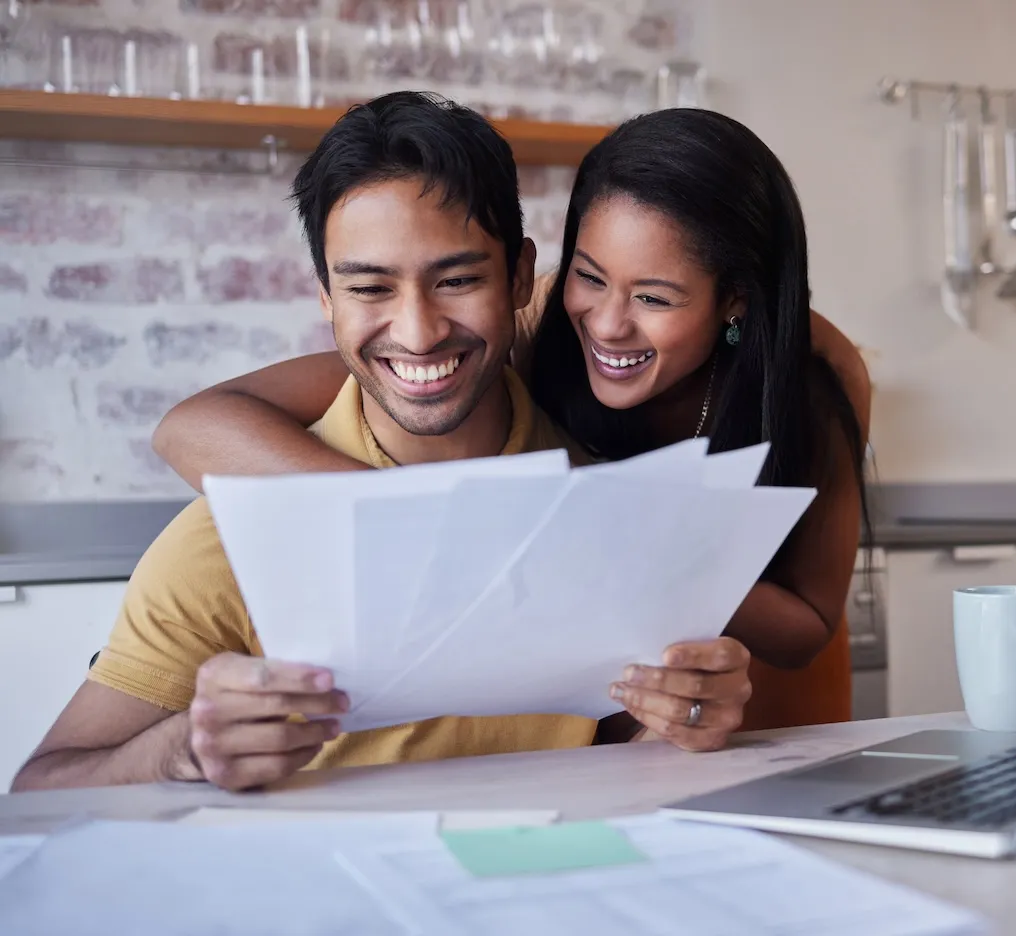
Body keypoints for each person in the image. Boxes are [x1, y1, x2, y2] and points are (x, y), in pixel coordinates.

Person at [10, 92, 753, 795]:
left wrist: (685, 720)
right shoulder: (226, 541)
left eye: (457, 279)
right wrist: (183, 750)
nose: (419, 331)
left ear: (522, 276)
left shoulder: (605, 509)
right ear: (326, 298)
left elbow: (632, 751)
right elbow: (41, 787)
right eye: (369, 289)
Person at [152, 108, 872, 731]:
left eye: (655, 299)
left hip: (753, 697)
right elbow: (194, 425)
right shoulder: (530, 322)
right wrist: (417, 519)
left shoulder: (815, 378)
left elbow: (807, 627)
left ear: (736, 300)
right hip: (602, 707)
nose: (609, 324)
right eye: (590, 275)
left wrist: (636, 540)